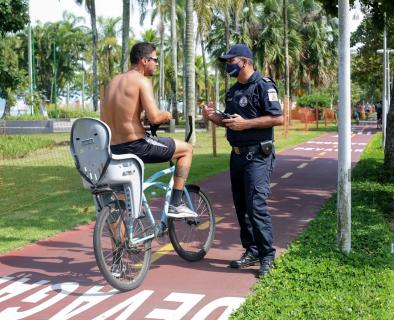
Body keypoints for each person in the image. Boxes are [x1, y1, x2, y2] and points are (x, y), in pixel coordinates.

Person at [202, 44, 284, 277]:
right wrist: (212, 117)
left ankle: (267, 256)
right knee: (242, 206)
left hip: (258, 155)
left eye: (231, 61)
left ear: (244, 62)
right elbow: (229, 121)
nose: (228, 65)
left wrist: (246, 124)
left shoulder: (263, 86)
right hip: (237, 155)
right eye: (227, 62)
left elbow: (278, 119)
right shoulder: (233, 91)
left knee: (256, 205)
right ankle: (252, 250)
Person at [101, 42, 196, 218]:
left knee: (120, 204)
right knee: (187, 149)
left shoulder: (112, 83)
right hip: (137, 146)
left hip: (113, 149)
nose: (157, 63)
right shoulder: (141, 81)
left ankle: (122, 245)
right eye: (155, 59)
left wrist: (139, 118)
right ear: (144, 60)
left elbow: (114, 116)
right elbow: (155, 117)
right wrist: (168, 115)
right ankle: (176, 203)